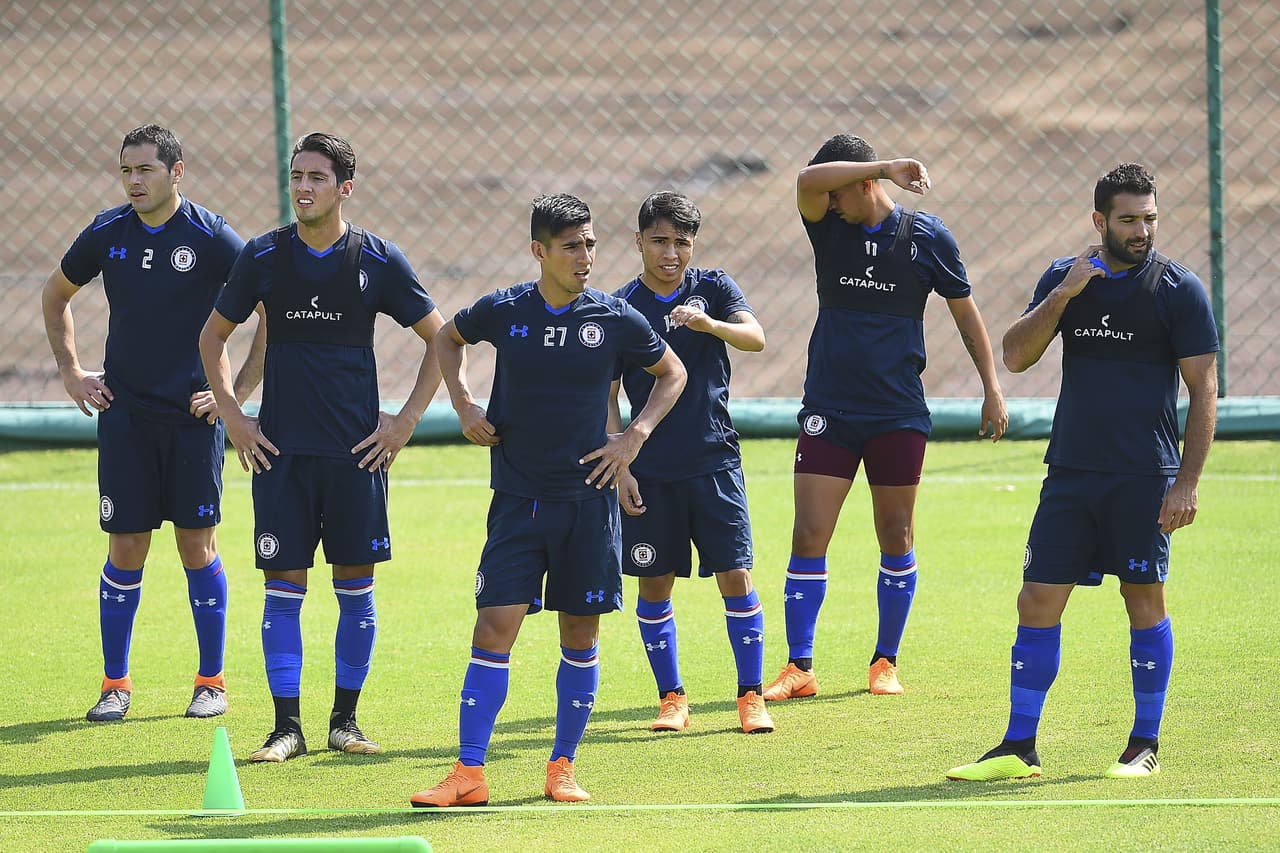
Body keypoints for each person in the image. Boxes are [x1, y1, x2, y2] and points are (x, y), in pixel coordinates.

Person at [409, 193, 687, 807]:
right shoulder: (504, 310)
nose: (585, 256)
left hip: (587, 503)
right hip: (517, 499)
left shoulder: (614, 318)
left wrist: (632, 438)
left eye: (590, 244)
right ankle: (469, 773)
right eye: (571, 246)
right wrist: (462, 404)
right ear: (540, 251)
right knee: (494, 625)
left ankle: (562, 765)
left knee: (580, 635)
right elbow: (446, 340)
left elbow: (673, 373)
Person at [947, 163, 1218, 781]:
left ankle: (1143, 743)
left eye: (1149, 218)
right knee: (1038, 597)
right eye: (1128, 220)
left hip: (1144, 475)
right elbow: (1014, 358)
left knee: (1143, 597)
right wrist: (1064, 293)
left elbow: (1204, 387)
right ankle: (1019, 747)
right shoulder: (1064, 279)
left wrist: (1187, 481)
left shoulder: (1178, 289)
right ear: (1100, 222)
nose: (1142, 230)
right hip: (1070, 471)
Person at [199, 132, 446, 762]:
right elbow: (212, 340)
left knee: (355, 592)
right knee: (283, 590)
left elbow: (441, 339)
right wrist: (235, 418)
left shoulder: (378, 260)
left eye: (316, 177)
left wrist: (406, 421)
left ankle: (345, 722)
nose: (303, 187)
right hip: (280, 458)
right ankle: (286, 727)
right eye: (296, 176)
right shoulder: (263, 256)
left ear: (345, 188)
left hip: (355, 457)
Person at [764, 134, 1008, 703]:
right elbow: (805, 181)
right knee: (808, 533)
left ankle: (885, 660)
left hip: (897, 411)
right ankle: (800, 666)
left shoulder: (926, 236)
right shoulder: (827, 225)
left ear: (864, 186)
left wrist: (992, 388)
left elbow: (965, 315)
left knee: (895, 533)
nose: (829, 200)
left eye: (840, 189)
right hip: (829, 406)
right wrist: (886, 164)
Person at [42, 123, 263, 723]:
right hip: (126, 418)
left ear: (177, 172)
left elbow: (268, 311)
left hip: (192, 419)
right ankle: (116, 684)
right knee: (126, 548)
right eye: (126, 171)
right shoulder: (107, 233)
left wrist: (232, 396)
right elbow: (55, 294)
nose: (135, 181)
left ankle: (210, 681)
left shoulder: (213, 237)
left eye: (146, 170)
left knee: (198, 546)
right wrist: (72, 371)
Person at [605, 191, 772, 735]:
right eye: (659, 240)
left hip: (713, 459)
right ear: (638, 243)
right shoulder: (619, 306)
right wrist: (621, 464)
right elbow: (607, 394)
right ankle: (671, 698)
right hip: (648, 468)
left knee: (736, 575)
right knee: (654, 583)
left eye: (681, 241)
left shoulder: (714, 289)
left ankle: (750, 697)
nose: (670, 252)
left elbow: (756, 338)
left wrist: (709, 326)